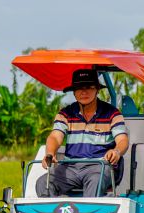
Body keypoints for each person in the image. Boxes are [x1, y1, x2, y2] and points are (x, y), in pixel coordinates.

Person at [36, 69, 129, 197]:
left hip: (99, 166)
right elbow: (55, 137)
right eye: (79, 88)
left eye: (89, 87)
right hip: (70, 167)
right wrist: (50, 153)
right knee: (42, 183)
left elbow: (122, 140)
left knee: (95, 180)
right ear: (74, 92)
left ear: (97, 89)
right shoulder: (65, 114)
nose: (84, 92)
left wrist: (116, 151)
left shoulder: (112, 113)